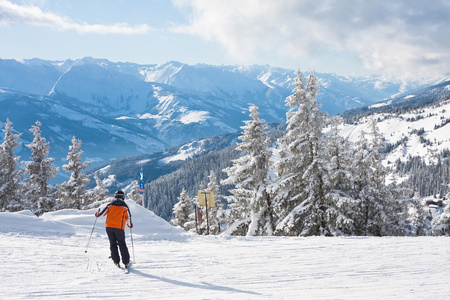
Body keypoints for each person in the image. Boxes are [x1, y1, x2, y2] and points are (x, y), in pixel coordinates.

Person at [95, 190, 133, 269]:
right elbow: (128, 217)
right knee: (122, 244)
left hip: (109, 227)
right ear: (123, 197)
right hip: (119, 228)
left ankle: (116, 261)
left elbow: (101, 214)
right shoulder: (125, 207)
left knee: (113, 243)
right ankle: (126, 261)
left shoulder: (110, 205)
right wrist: (129, 225)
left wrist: (97, 214)